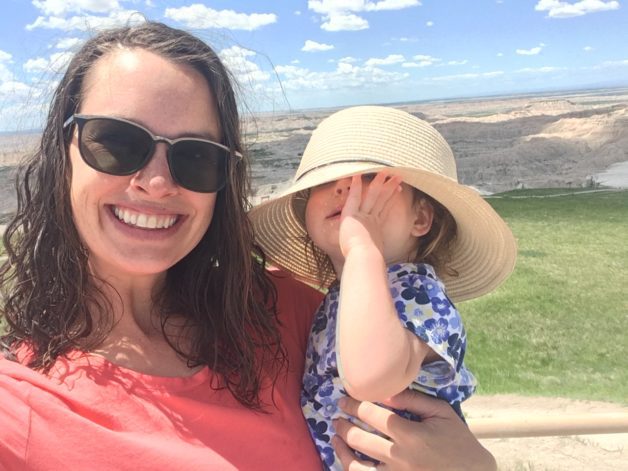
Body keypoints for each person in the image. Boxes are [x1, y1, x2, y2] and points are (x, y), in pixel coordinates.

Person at [0, 21, 497, 470]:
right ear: (62, 154)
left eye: (196, 156)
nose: (155, 182)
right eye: (115, 141)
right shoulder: (17, 407)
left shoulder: (291, 313)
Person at [249, 106, 517, 469]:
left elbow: (372, 378)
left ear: (420, 218)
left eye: (370, 179)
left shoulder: (415, 293)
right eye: (323, 183)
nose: (345, 187)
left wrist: (362, 248)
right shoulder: (338, 299)